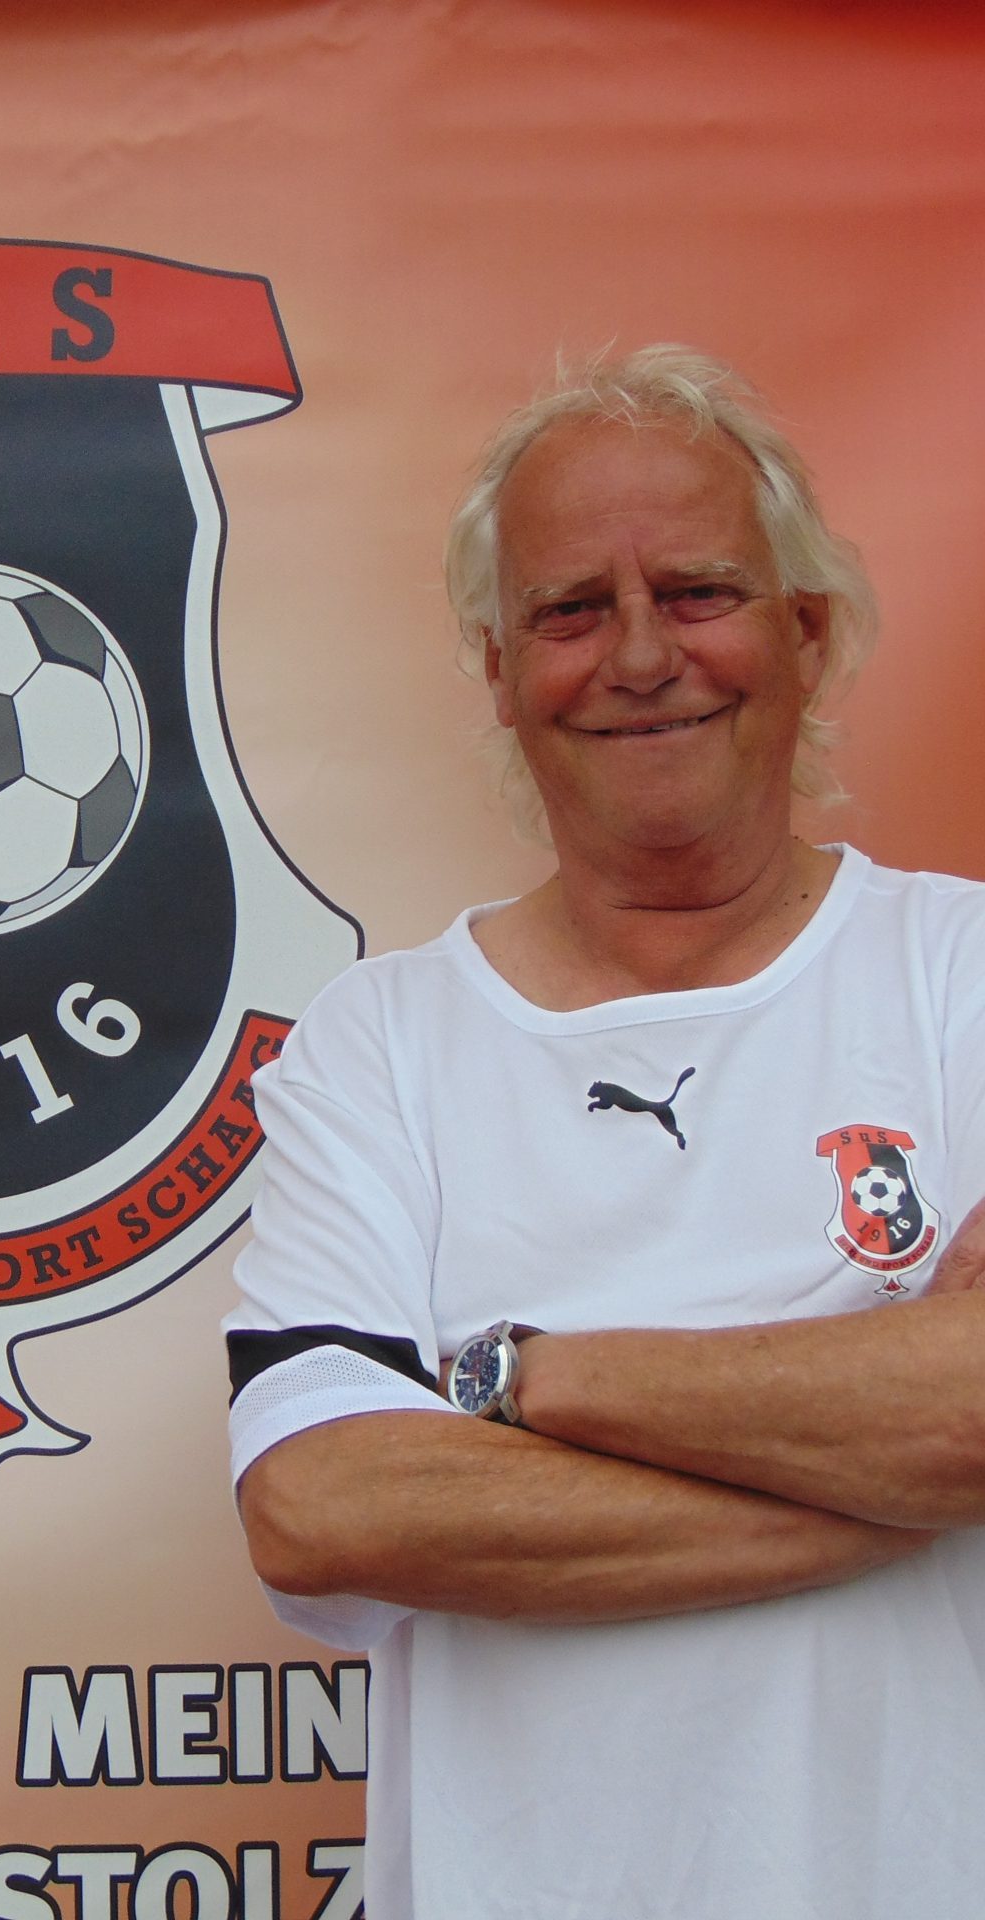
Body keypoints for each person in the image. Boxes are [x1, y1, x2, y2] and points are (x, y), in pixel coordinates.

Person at [226, 346, 985, 1920]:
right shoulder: (377, 1048)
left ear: (807, 632)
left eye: (698, 591)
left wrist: (520, 1379)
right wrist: (888, 1457)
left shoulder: (963, 977)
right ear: (500, 670)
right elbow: (320, 1507)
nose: (640, 656)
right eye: (571, 610)